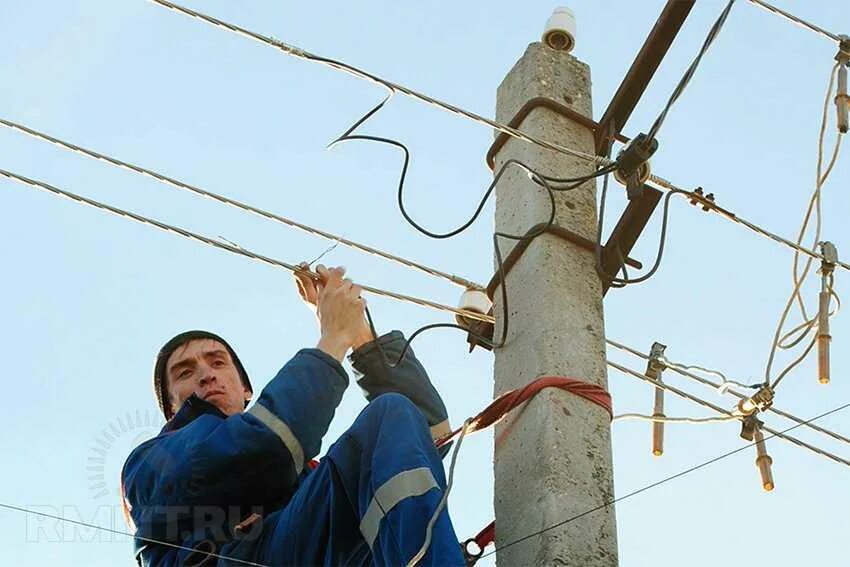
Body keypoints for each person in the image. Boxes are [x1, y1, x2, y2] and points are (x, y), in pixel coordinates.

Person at [121, 265, 465, 566]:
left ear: (246, 390)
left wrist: (359, 335)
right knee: (383, 420)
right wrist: (334, 337)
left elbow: (426, 433)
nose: (206, 374)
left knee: (393, 416)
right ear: (170, 410)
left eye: (217, 362)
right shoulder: (150, 463)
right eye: (184, 372)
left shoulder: (303, 481)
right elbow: (258, 448)